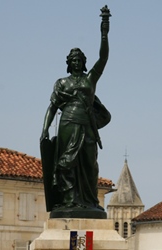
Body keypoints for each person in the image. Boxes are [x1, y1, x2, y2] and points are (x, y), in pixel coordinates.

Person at [40, 6, 111, 213]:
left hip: (87, 125)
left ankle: (89, 200)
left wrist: (104, 32)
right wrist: (44, 130)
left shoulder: (90, 79)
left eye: (80, 61)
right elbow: (52, 106)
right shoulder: (62, 83)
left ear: (84, 63)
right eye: (73, 61)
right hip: (68, 124)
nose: (77, 63)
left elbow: (104, 58)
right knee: (66, 164)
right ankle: (69, 199)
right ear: (69, 64)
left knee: (90, 164)